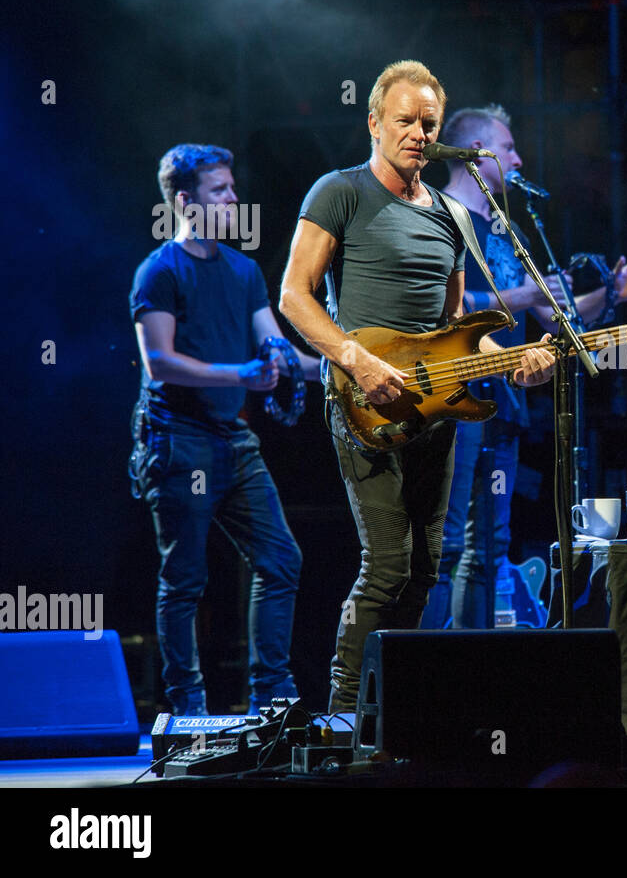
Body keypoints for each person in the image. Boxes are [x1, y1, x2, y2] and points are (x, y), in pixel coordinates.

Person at [278, 62, 556, 712]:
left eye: (428, 123)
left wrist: (515, 360)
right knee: (386, 566)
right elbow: (295, 294)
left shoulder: (455, 217)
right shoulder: (337, 192)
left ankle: (390, 709)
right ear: (374, 123)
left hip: (435, 409)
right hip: (362, 399)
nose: (417, 133)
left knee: (429, 567)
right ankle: (344, 715)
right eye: (404, 120)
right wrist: (355, 359)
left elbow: (458, 328)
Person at [427, 104, 627, 629]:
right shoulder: (438, 218)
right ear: (478, 155)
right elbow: (443, 307)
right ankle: (416, 673)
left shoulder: (510, 232)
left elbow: (558, 317)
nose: (519, 158)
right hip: (451, 401)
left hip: (504, 403)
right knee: (443, 545)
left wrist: (613, 294)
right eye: (507, 148)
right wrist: (523, 293)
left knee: (490, 545)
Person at [130, 143, 319, 716]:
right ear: (185, 200)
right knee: (186, 579)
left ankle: (271, 700)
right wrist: (239, 372)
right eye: (220, 190)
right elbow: (158, 362)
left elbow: (277, 349)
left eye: (233, 188)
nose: (234, 198)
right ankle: (186, 708)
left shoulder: (243, 271)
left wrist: (345, 365)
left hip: (233, 443)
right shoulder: (159, 271)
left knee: (280, 559)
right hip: (177, 440)